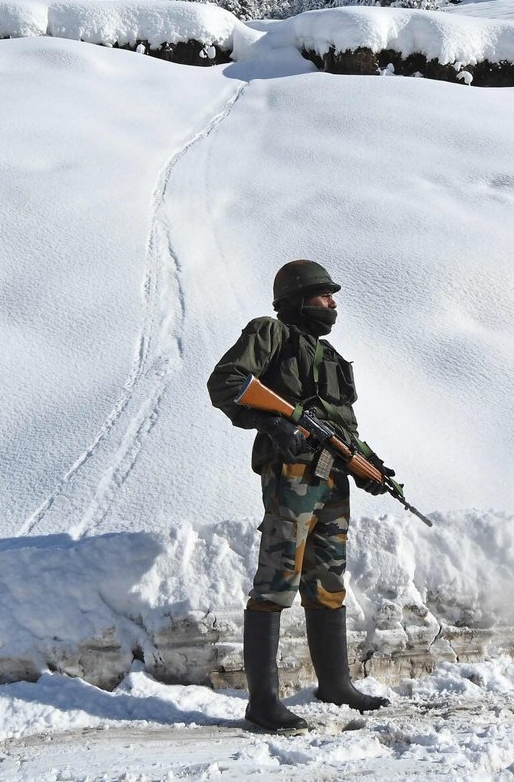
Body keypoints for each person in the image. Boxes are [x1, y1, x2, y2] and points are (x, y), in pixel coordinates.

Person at [207, 260, 393, 734]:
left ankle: (335, 686)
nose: (332, 305)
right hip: (290, 472)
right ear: (297, 299)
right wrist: (272, 422)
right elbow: (227, 381)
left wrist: (372, 467)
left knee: (328, 580)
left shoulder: (329, 357)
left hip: (331, 478)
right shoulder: (271, 333)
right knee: (277, 578)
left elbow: (345, 428)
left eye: (333, 297)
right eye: (323, 296)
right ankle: (262, 704)